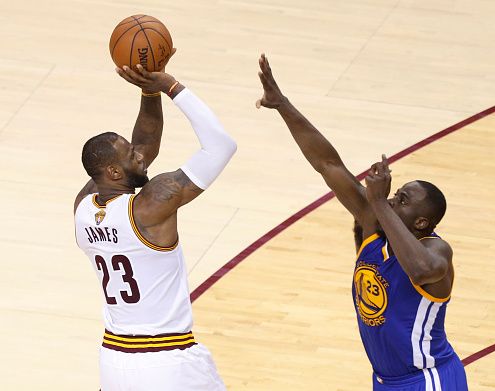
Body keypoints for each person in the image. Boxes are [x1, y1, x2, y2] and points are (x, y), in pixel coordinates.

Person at [256, 54, 468, 391]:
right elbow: (327, 163)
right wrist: (282, 104)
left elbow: (421, 271)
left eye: (403, 200)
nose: (393, 199)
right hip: (385, 381)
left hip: (428, 380)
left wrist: (381, 203)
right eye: (396, 194)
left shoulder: (435, 250)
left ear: (422, 222)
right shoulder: (374, 225)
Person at [74, 58, 236, 391]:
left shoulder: (83, 209)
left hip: (115, 363)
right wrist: (171, 88)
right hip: (168, 361)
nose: (140, 154)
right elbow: (221, 145)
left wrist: (149, 94)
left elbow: (145, 147)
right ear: (114, 173)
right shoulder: (151, 204)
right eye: (129, 153)